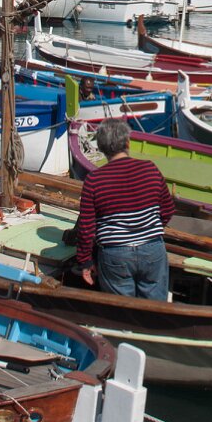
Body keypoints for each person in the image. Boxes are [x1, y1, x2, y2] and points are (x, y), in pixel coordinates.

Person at [74, 118, 175, 300]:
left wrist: (85, 262)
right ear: (127, 143)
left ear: (101, 147)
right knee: (155, 309)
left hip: (115, 253)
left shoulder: (94, 180)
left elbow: (86, 228)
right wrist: (146, 229)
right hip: (152, 248)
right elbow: (167, 210)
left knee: (122, 309)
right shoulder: (150, 169)